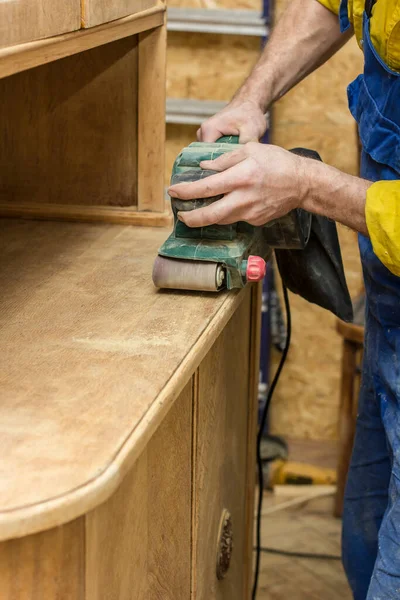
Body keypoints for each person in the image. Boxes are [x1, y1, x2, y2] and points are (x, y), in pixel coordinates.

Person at [168, 0, 400, 598]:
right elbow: (332, 3)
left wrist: (305, 184)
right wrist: (253, 95)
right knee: (367, 531)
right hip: (389, 292)